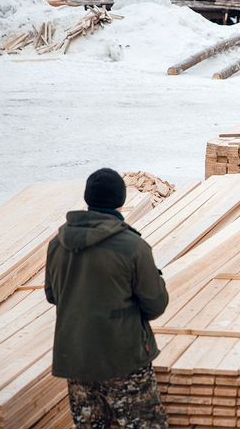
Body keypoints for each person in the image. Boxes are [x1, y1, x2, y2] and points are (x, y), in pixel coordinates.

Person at [45, 168, 169, 428]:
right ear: (120, 200)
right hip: (123, 358)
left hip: (76, 359)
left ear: (88, 198)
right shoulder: (132, 247)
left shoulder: (58, 243)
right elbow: (155, 304)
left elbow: (53, 295)